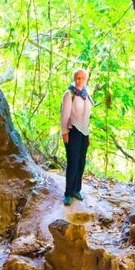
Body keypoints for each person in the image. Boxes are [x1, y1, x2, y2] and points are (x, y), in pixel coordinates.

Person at [60, 68, 93, 206]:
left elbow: (87, 116)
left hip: (84, 132)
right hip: (73, 131)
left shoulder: (87, 94)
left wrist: (88, 134)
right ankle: (68, 193)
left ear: (85, 79)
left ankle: (76, 190)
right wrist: (64, 132)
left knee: (81, 163)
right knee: (73, 163)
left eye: (82, 78)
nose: (80, 80)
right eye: (77, 78)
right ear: (74, 79)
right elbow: (64, 115)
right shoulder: (69, 94)